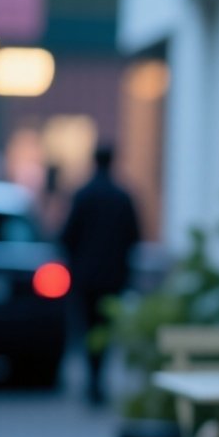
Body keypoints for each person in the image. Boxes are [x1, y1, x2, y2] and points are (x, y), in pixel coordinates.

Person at [60, 146, 141, 406]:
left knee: (87, 327)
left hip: (85, 277)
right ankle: (99, 379)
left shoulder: (83, 195)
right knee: (105, 328)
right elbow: (135, 236)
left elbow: (66, 235)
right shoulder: (122, 197)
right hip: (114, 276)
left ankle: (92, 379)